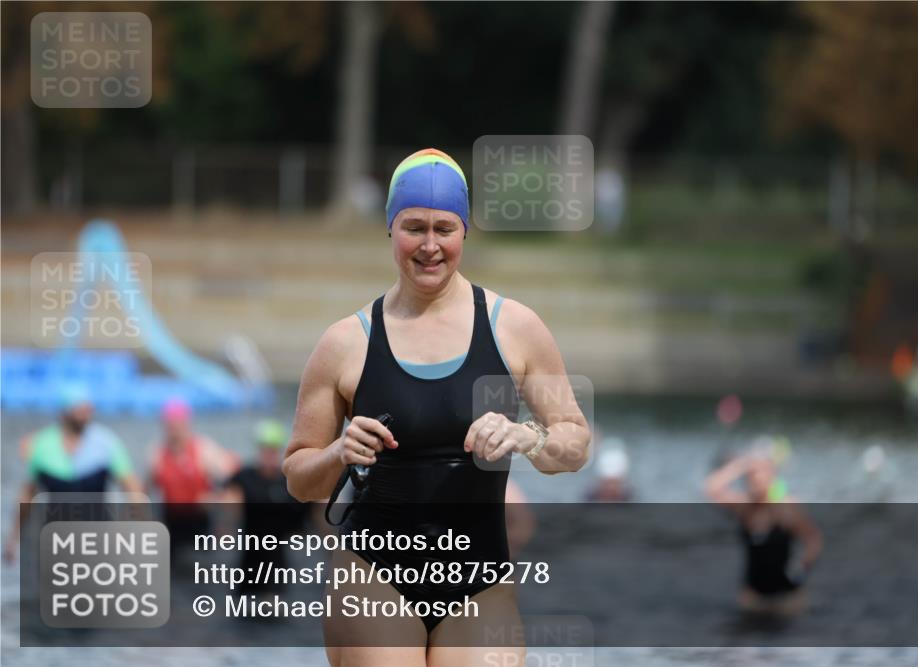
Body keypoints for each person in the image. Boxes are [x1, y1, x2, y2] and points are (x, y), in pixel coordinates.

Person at [282, 148, 591, 666]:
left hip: (479, 575)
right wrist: (338, 452)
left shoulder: (515, 328)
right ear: (390, 228)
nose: (429, 246)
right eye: (414, 227)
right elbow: (297, 476)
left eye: (444, 228)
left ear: (464, 230)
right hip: (373, 573)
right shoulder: (344, 343)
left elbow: (576, 442)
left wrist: (529, 437)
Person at [3, 385, 143, 562]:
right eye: (79, 410)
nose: (85, 415)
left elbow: (133, 489)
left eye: (88, 410)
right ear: (64, 413)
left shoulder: (106, 443)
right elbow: (27, 496)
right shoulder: (43, 445)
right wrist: (14, 538)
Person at [703, 450, 822, 617]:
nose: (756, 479)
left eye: (761, 472)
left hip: (786, 599)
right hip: (754, 598)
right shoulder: (744, 507)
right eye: (751, 475)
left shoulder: (786, 508)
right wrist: (741, 464)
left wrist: (803, 567)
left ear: (772, 476)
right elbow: (712, 488)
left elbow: (813, 539)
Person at [222, 419, 309, 595]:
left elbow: (314, 508)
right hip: (249, 561)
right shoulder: (245, 478)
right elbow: (228, 502)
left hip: (278, 562)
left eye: (273, 450)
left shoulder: (289, 482)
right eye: (265, 450)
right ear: (259, 450)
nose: (269, 455)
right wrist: (224, 526)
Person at [150, 398, 239, 560]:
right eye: (170, 426)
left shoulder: (203, 449)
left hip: (201, 525)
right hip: (171, 527)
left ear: (186, 424)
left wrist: (217, 501)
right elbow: (142, 493)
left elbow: (237, 481)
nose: (174, 431)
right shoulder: (157, 454)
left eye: (177, 425)